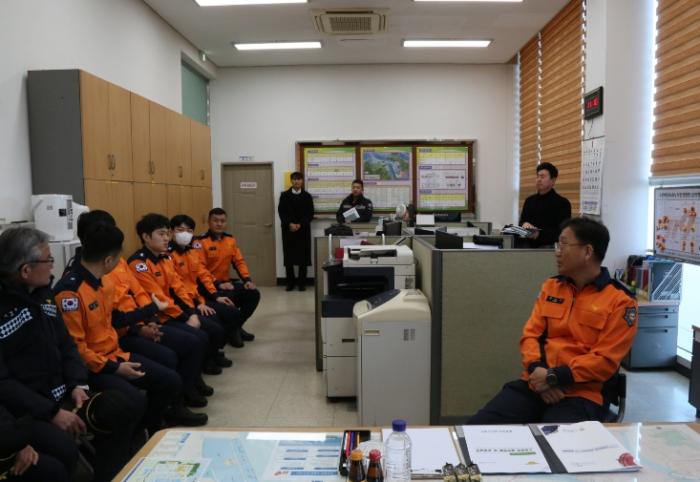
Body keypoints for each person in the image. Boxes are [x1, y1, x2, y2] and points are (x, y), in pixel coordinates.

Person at [0, 227, 142, 482]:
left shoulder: (43, 296)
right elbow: (4, 384)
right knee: (62, 450)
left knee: (122, 408)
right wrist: (51, 412)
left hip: (63, 393)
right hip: (27, 410)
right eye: (48, 260)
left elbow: (67, 346)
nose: (53, 266)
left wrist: (78, 383)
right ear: (26, 271)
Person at [467, 217, 638, 424]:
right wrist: (538, 372)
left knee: (553, 440)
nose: (557, 252)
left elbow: (605, 361)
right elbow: (531, 336)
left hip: (582, 394)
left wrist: (554, 377)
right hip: (536, 384)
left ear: (587, 252)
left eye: (563, 244)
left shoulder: (621, 301)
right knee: (477, 429)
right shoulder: (551, 287)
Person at [54, 222, 208, 433]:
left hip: (116, 353)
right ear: (108, 260)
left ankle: (152, 427)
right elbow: (76, 349)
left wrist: (145, 321)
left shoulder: (103, 281)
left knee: (170, 380)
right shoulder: (69, 293)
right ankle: (138, 435)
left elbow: (115, 318)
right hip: (93, 367)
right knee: (134, 400)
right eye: (118, 258)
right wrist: (115, 368)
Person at [129, 214, 226, 376]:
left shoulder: (165, 258)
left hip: (175, 311)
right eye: (161, 234)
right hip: (158, 318)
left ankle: (199, 371)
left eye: (167, 234)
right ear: (146, 237)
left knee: (212, 329)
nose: (166, 238)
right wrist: (185, 317)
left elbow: (178, 288)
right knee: (197, 339)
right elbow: (159, 299)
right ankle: (191, 382)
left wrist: (191, 313)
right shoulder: (139, 264)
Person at [169, 214, 244, 349]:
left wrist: (216, 295)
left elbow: (203, 276)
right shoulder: (167, 256)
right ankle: (212, 354)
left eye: (189, 231)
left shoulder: (191, 252)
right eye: (180, 230)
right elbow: (175, 287)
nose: (185, 234)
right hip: (183, 303)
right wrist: (197, 305)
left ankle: (223, 343)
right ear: (171, 232)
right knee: (215, 322)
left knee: (232, 311)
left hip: (197, 298)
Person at [195, 208, 261, 343]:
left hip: (226, 283)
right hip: (208, 287)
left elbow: (239, 261)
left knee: (253, 293)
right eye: (215, 221)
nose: (219, 224)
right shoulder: (200, 242)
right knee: (228, 297)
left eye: (222, 221)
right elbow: (201, 270)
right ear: (209, 222)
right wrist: (218, 284)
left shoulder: (230, 240)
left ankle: (235, 327)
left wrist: (247, 280)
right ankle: (233, 330)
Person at [519, 162, 572, 248]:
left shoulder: (562, 203)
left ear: (553, 180)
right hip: (526, 246)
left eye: (542, 177)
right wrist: (524, 224)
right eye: (538, 176)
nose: (539, 179)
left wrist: (538, 234)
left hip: (548, 249)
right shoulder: (529, 201)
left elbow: (563, 233)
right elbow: (521, 222)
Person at [278, 171, 315, 291]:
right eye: (294, 179)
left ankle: (301, 283)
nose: (296, 181)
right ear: (291, 181)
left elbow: (310, 213)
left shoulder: (307, 196)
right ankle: (290, 283)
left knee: (303, 257)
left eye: (299, 179)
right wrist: (290, 223)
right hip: (288, 230)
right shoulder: (284, 195)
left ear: (302, 181)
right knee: (289, 257)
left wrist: (300, 224)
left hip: (303, 230)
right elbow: (281, 212)